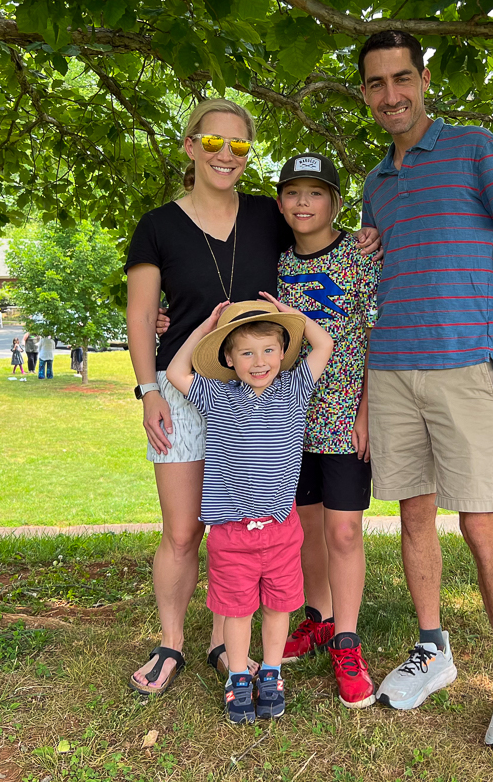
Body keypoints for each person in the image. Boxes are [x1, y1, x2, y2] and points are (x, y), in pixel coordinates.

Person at [126, 98, 380, 695]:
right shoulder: (157, 226)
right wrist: (147, 390)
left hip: (264, 395)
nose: (226, 154)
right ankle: (170, 644)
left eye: (239, 145)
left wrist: (367, 234)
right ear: (190, 146)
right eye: (213, 141)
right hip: (184, 389)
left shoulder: (268, 214)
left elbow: (318, 228)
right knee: (183, 530)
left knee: (240, 517)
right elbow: (141, 316)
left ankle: (226, 642)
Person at [358, 31, 493, 749]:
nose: (391, 94)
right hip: (390, 368)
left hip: (465, 365)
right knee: (414, 515)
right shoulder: (375, 183)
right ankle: (432, 648)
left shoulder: (474, 148)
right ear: (365, 93)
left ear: (424, 79)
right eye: (377, 83)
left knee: (480, 523)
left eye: (402, 78)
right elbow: (371, 275)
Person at [164, 298, 333, 723]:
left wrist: (292, 316)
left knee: (279, 606)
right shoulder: (218, 395)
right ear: (228, 358)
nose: (259, 362)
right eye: (246, 353)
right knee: (236, 610)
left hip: (280, 529)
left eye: (269, 350)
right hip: (231, 532)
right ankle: (238, 676)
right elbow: (176, 372)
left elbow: (324, 345)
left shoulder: (294, 389)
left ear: (283, 352)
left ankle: (271, 673)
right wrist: (206, 327)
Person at [275, 153, 380, 709]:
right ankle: (318, 618)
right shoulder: (275, 262)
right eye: (293, 192)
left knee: (343, 531)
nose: (303, 203)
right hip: (287, 420)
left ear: (335, 202)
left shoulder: (360, 257)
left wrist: (367, 410)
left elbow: (376, 334)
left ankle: (347, 640)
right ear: (280, 202)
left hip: (343, 417)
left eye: (315, 192)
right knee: (307, 527)